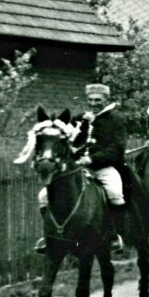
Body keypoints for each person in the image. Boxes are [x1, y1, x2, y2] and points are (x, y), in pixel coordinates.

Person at [36, 84, 129, 254]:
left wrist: (92, 158)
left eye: (98, 100)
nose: (94, 104)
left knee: (115, 193)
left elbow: (117, 149)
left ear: (106, 100)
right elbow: (67, 143)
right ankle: (50, 236)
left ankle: (114, 236)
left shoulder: (117, 119)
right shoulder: (79, 119)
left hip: (104, 168)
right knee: (43, 196)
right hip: (78, 170)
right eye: (91, 100)